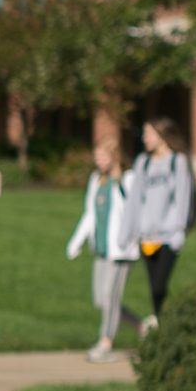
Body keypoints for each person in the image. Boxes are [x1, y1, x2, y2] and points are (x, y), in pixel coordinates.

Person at [66, 136, 142, 360]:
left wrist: (118, 183)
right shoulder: (96, 180)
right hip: (101, 249)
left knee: (111, 298)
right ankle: (142, 327)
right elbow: (90, 213)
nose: (98, 160)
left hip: (121, 252)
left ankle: (105, 342)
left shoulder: (127, 179)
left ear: (114, 157)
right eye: (96, 156)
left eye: (103, 156)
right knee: (100, 300)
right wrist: (76, 241)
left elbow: (132, 211)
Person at [127, 116, 195, 333]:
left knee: (159, 286)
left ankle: (165, 322)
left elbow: (183, 197)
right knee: (153, 288)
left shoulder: (177, 162)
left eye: (149, 134)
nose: (145, 138)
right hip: (147, 236)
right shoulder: (142, 163)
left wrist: (179, 230)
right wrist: (131, 232)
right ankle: (162, 324)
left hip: (168, 236)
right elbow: (135, 200)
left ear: (162, 136)